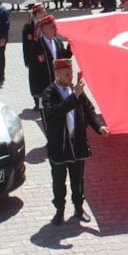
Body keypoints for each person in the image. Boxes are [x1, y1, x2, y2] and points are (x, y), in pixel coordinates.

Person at [42, 58, 110, 226]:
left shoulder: (76, 90)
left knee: (77, 179)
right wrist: (74, 96)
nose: (70, 76)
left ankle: (79, 208)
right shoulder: (49, 93)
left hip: (77, 143)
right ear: (57, 74)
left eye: (71, 73)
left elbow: (89, 110)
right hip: (60, 145)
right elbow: (55, 112)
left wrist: (99, 126)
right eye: (66, 74)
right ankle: (59, 211)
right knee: (59, 181)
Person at [29, 15, 72, 110]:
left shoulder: (58, 42)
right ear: (45, 29)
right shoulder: (37, 45)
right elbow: (33, 70)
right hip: (43, 85)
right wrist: (36, 90)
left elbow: (65, 58)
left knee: (59, 109)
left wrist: (70, 46)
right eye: (52, 27)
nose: (55, 29)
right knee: (43, 109)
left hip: (58, 83)